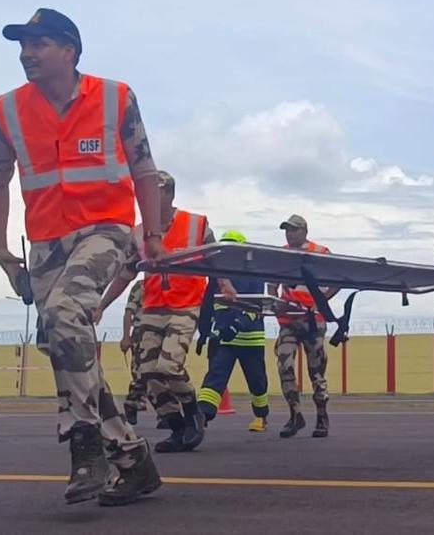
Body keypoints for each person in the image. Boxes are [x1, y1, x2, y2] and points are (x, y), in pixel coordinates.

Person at [0, 8, 161, 505]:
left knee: (63, 315)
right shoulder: (6, 110)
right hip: (45, 244)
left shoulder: (115, 97)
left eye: (38, 44)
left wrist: (156, 236)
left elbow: (145, 169)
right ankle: (133, 458)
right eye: (23, 45)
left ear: (69, 51)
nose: (26, 54)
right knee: (66, 346)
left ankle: (85, 446)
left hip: (105, 230)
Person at [99, 171, 236, 453]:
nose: (146, 197)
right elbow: (125, 274)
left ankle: (193, 413)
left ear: (169, 194)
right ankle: (176, 427)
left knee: (168, 366)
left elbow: (215, 260)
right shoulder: (138, 233)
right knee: (148, 372)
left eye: (155, 191)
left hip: (185, 305)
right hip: (152, 307)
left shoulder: (196, 224)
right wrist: (100, 305)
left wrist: (225, 284)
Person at [196, 229, 272, 432]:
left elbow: (256, 306)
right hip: (224, 339)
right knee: (215, 377)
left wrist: (236, 325)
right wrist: (204, 332)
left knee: (257, 382)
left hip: (250, 339)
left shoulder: (253, 274)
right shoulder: (217, 276)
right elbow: (207, 304)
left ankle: (261, 417)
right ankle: (201, 416)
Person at [274, 214, 336, 439]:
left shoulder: (320, 253)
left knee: (316, 370)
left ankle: (321, 415)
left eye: (293, 230)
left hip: (313, 321)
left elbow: (338, 279)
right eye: (287, 230)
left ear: (304, 231)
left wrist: (322, 300)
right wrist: (275, 305)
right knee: (284, 365)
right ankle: (295, 414)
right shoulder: (279, 255)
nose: (290, 234)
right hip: (288, 321)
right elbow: (271, 283)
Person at [119, 282, 153, 426]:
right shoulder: (142, 286)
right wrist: (126, 337)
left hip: (162, 330)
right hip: (142, 332)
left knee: (162, 373)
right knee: (141, 373)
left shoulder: (170, 282)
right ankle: (132, 403)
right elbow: (129, 312)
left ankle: (166, 413)